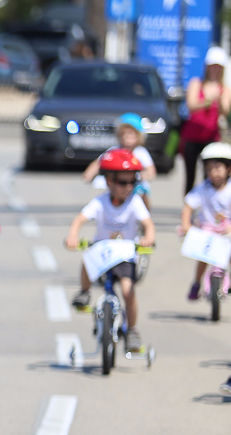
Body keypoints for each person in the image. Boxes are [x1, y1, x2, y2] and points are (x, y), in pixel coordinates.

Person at [65, 148, 155, 353]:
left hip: (125, 256)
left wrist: (148, 238)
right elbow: (79, 220)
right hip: (103, 253)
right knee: (87, 258)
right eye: (123, 182)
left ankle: (132, 329)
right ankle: (84, 292)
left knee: (128, 291)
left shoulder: (135, 202)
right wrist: (72, 235)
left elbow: (148, 223)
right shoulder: (100, 202)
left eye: (133, 182)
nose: (128, 187)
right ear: (109, 181)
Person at [180, 143, 231, 303]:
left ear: (228, 169)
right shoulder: (202, 188)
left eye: (218, 168)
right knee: (203, 256)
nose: (213, 173)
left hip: (227, 231)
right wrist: (186, 226)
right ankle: (196, 283)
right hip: (207, 229)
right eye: (209, 169)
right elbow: (188, 207)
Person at [180, 47, 231, 196]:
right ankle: (188, 205)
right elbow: (191, 105)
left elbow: (225, 111)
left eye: (218, 67)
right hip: (191, 136)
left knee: (209, 176)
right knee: (190, 175)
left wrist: (219, 100)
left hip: (211, 137)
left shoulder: (224, 88)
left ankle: (206, 205)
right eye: (212, 66)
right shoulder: (197, 83)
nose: (215, 70)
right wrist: (208, 100)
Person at [82, 113, 156, 205]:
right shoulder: (114, 150)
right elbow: (99, 162)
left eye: (131, 134)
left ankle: (144, 211)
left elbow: (151, 170)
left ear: (138, 136)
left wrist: (143, 176)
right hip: (118, 184)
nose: (127, 137)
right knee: (106, 194)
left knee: (142, 194)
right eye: (124, 134)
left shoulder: (140, 152)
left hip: (135, 185)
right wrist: (88, 175)